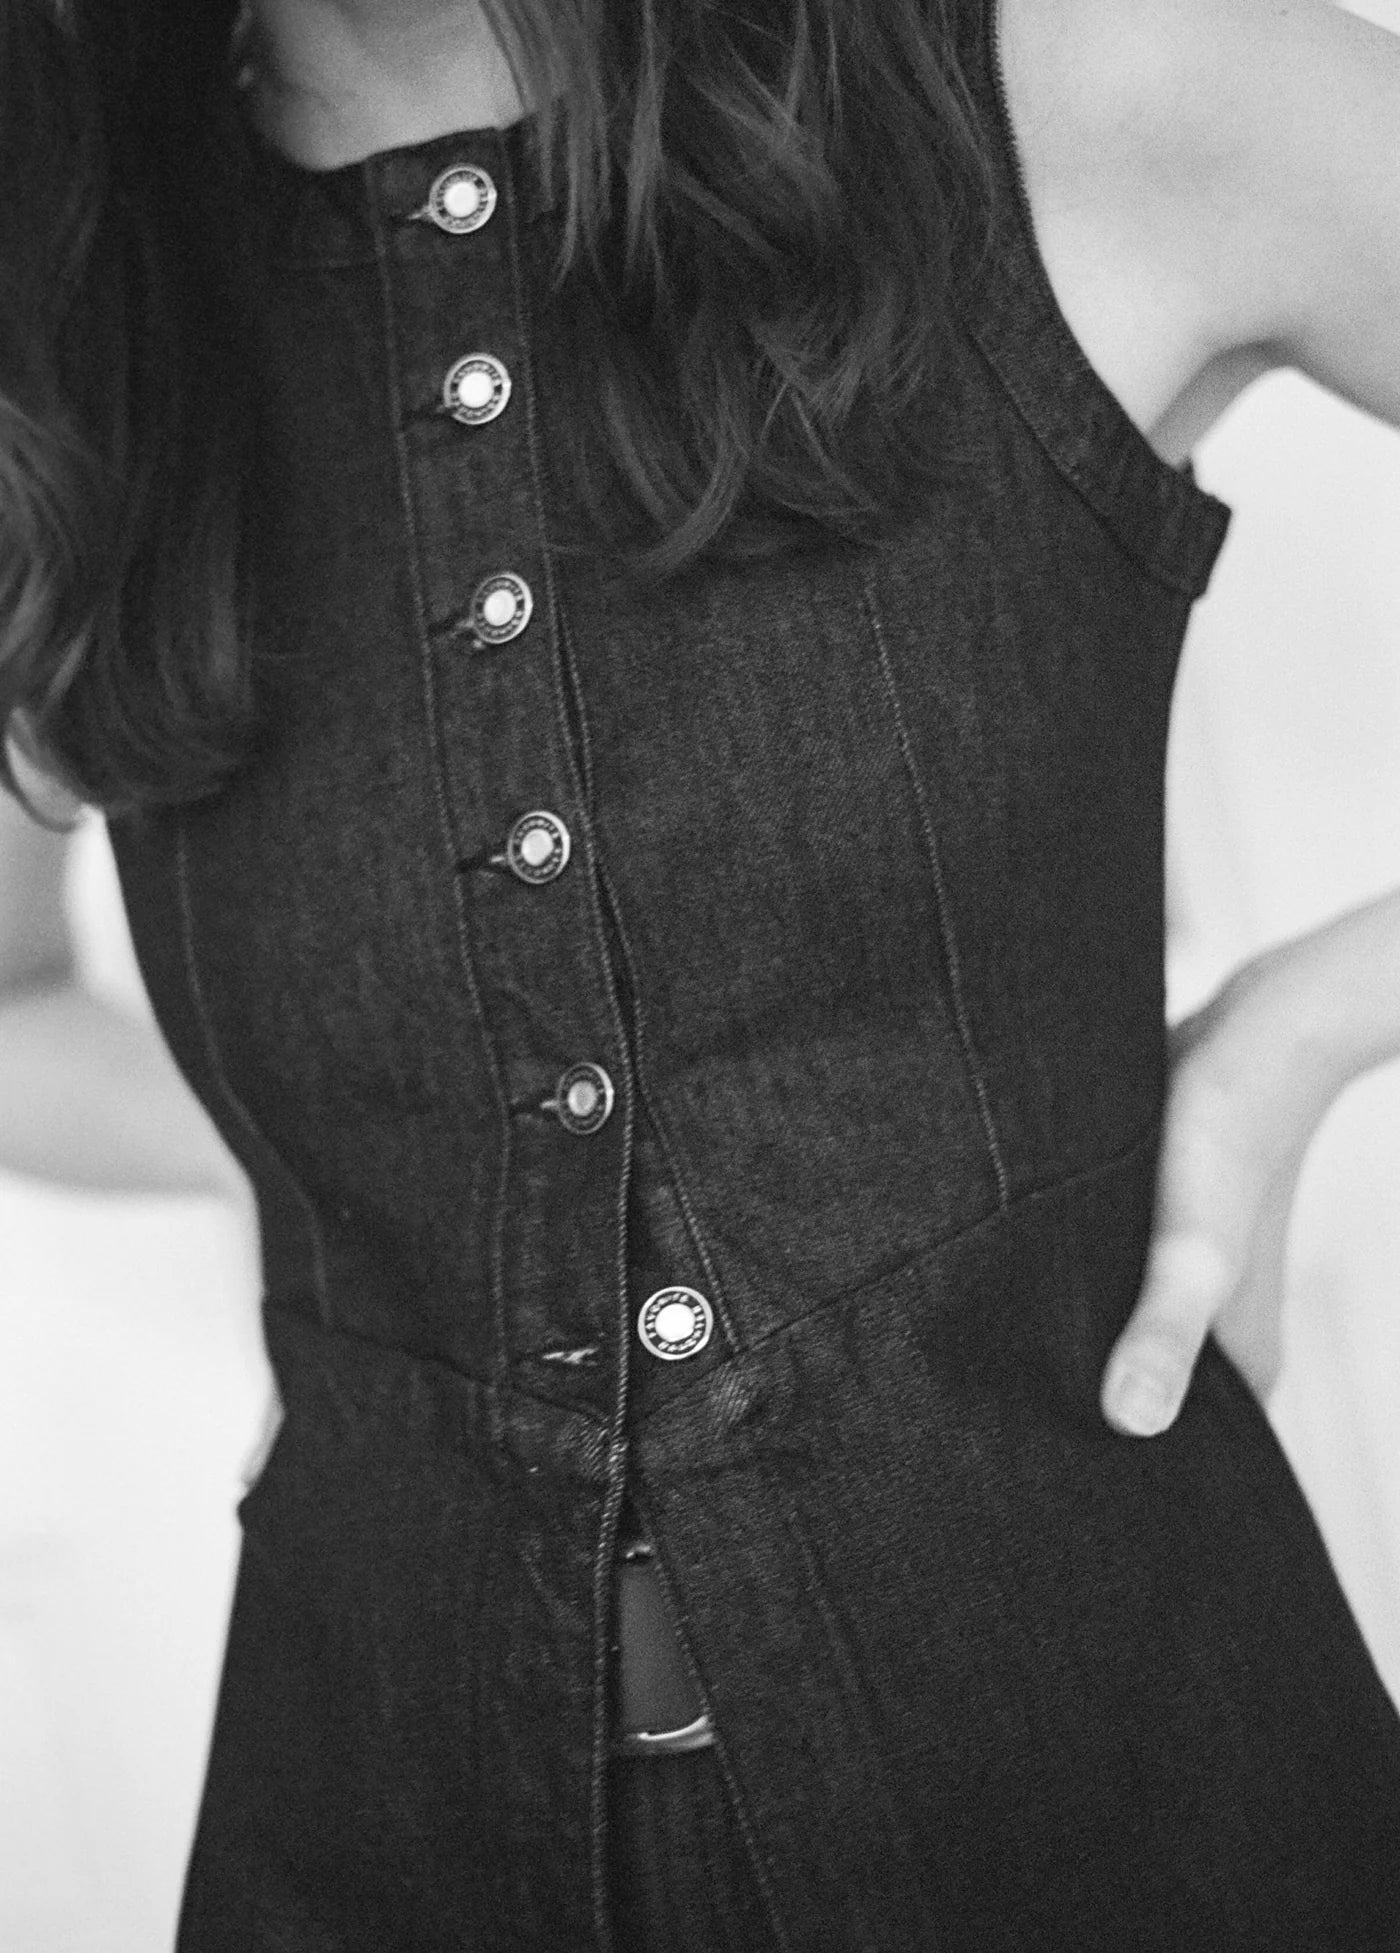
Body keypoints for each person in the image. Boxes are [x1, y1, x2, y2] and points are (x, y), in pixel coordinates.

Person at [1, 0, 1399, 1945]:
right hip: (371, 1842)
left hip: (1149, 1811)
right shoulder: (67, 295)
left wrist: (1303, 1026)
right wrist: (425, 1194)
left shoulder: (1077, 84)